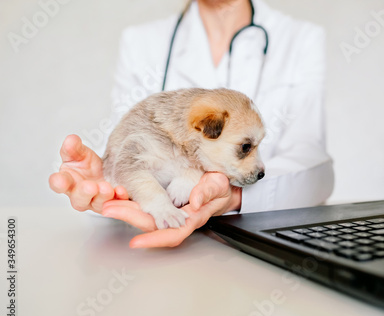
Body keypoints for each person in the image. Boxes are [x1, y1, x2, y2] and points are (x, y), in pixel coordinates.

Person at [49, 0, 334, 248]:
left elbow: (316, 170)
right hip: (148, 250)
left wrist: (230, 195)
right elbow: (122, 154)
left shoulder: (302, 38)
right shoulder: (140, 41)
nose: (256, 161)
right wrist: (105, 177)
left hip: (261, 240)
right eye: (245, 147)